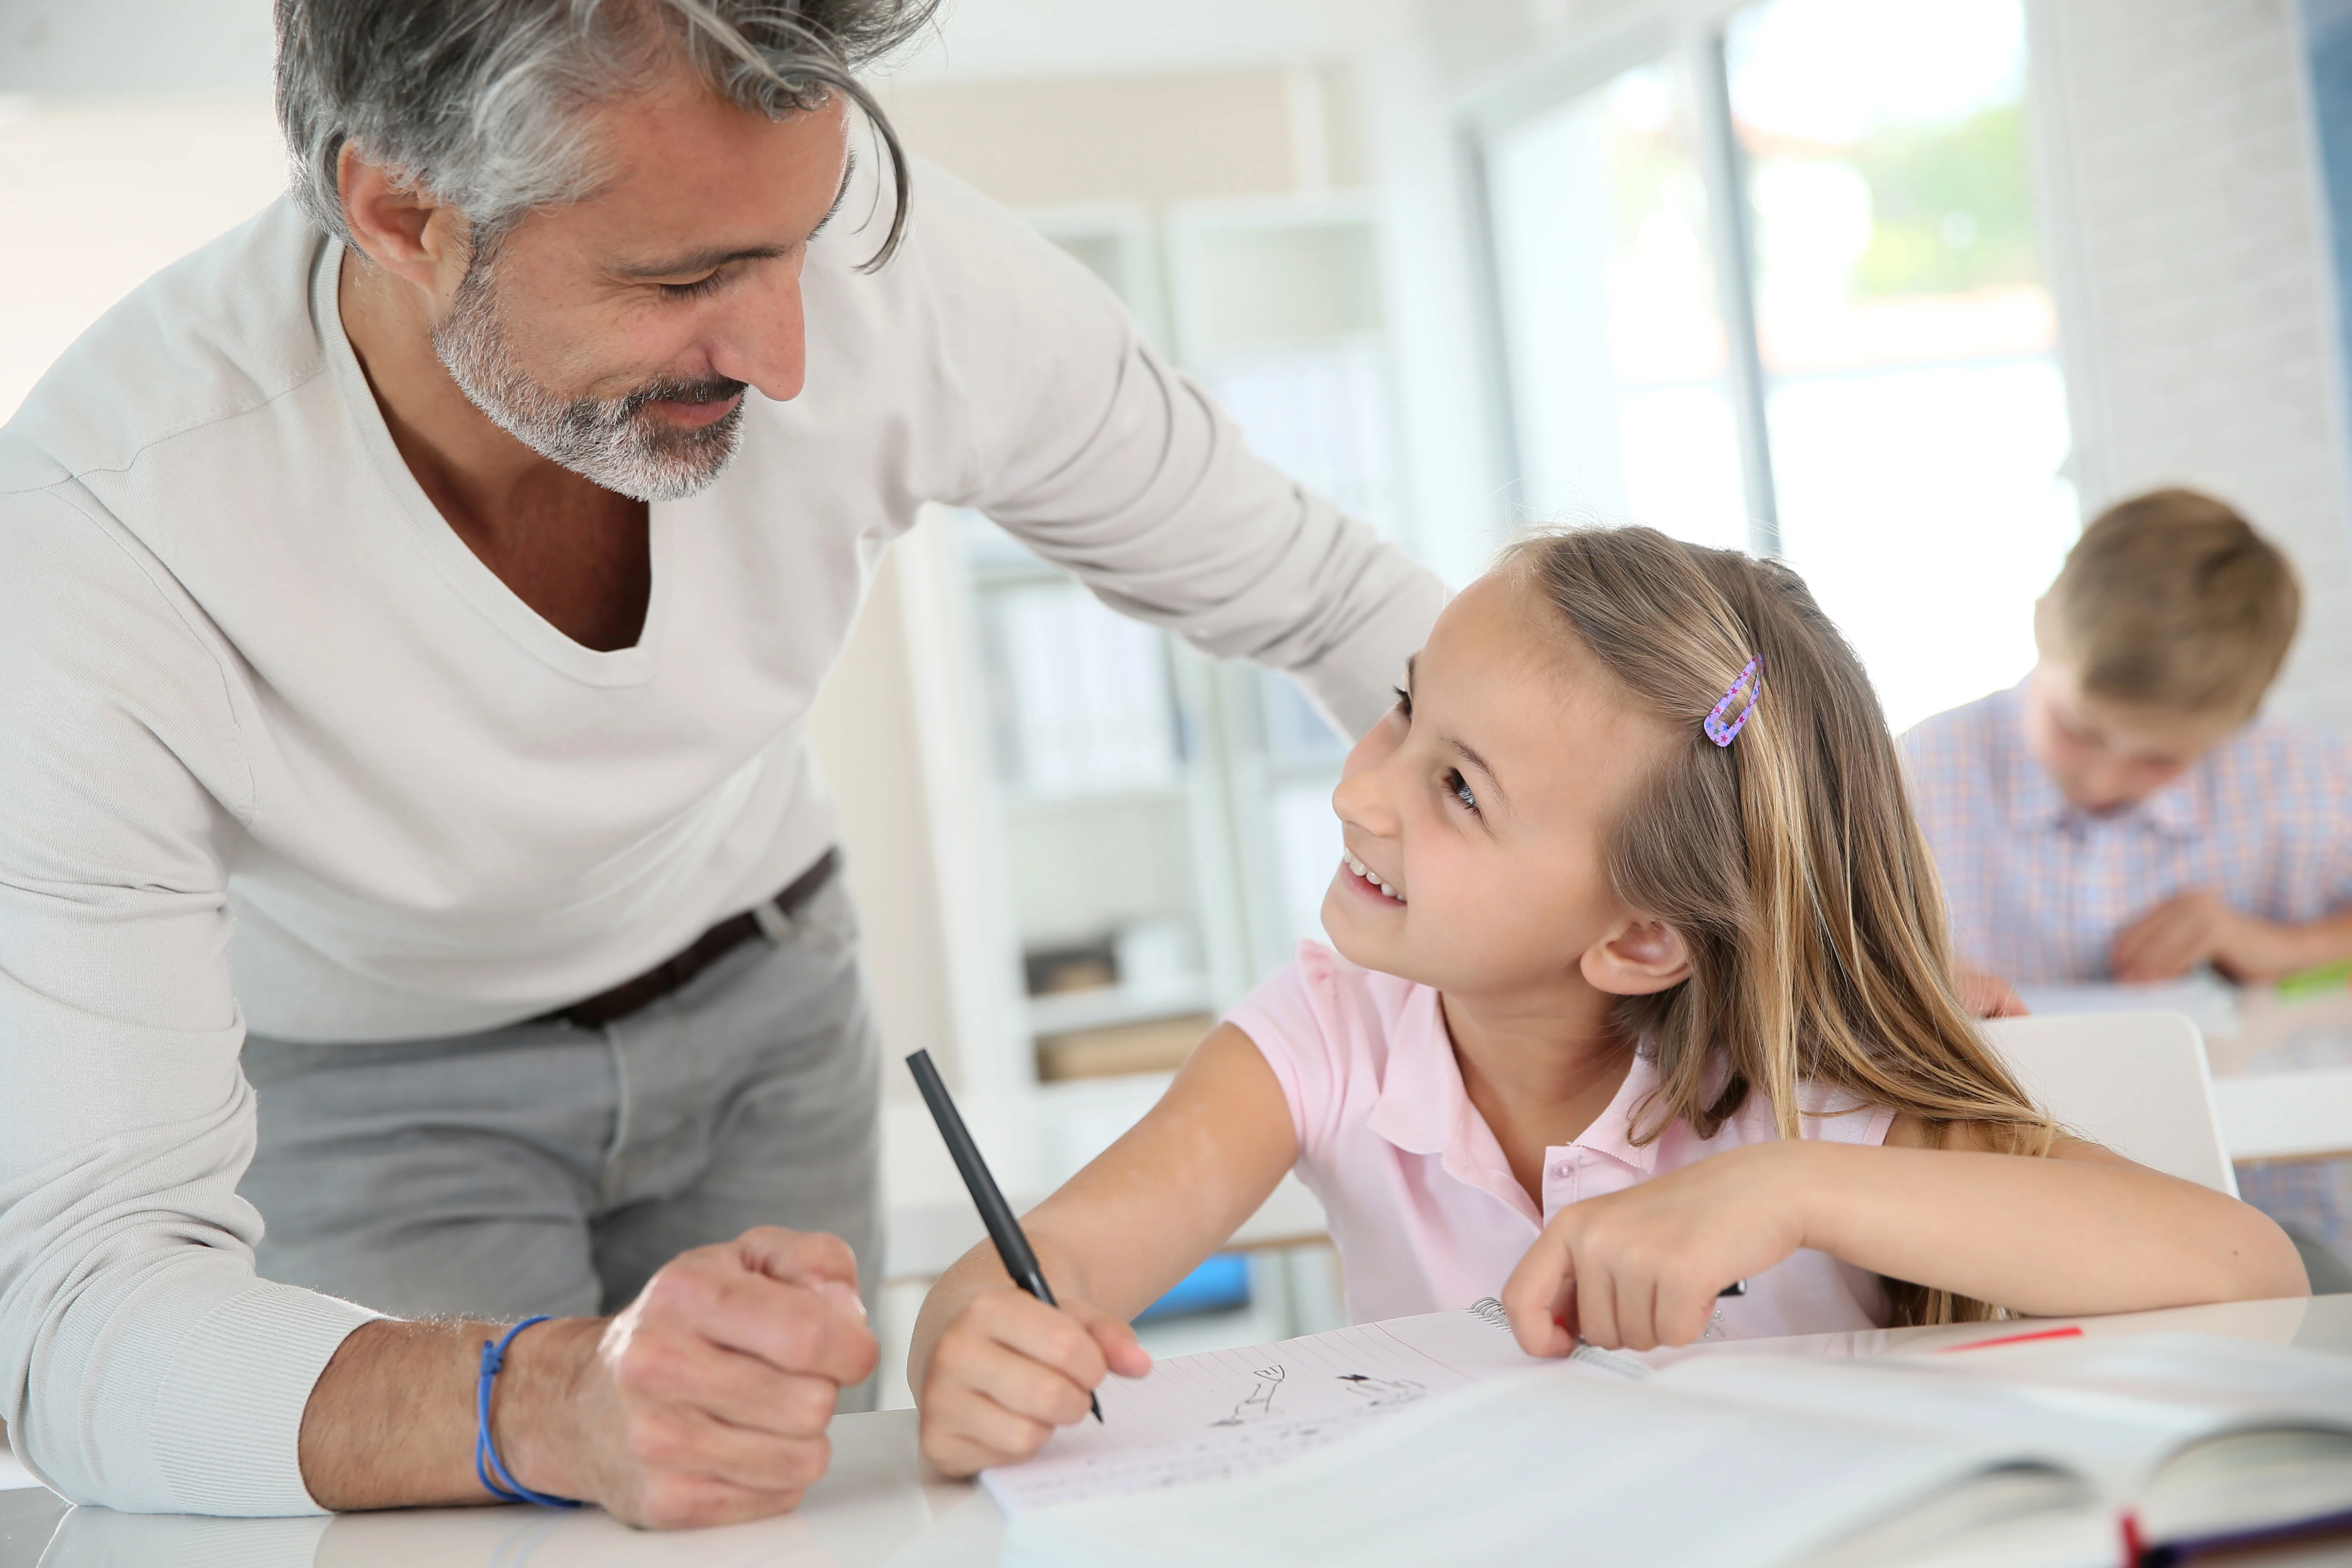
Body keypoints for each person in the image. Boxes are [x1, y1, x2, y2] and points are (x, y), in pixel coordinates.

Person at [0, 0, 1443, 1528]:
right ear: (404, 214)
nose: (789, 353)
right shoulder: (99, 540)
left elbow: (1345, 606)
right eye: (682, 278)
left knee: (805, 1516)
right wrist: (543, 1401)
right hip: (370, 1082)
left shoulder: (901, 265)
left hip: (767, 983)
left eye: (799, 242)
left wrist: (1686, 908)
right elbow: (82, 1314)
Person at [907, 526, 2303, 1477]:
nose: (1357, 789)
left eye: (1457, 787)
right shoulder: (1332, 1026)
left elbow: (2250, 1273)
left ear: (1642, 940)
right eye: (1404, 709)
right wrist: (971, 1351)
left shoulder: (1807, 1085)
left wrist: (1797, 1191)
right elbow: (1036, 1273)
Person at [1903, 486, 2352, 1287]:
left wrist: (2277, 946)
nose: (2104, 776)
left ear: (2244, 720)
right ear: (2043, 626)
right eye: (2079, 729)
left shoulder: (2306, 779)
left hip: (2269, 1211)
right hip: (1999, 1221)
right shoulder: (1912, 779)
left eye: (2158, 760)